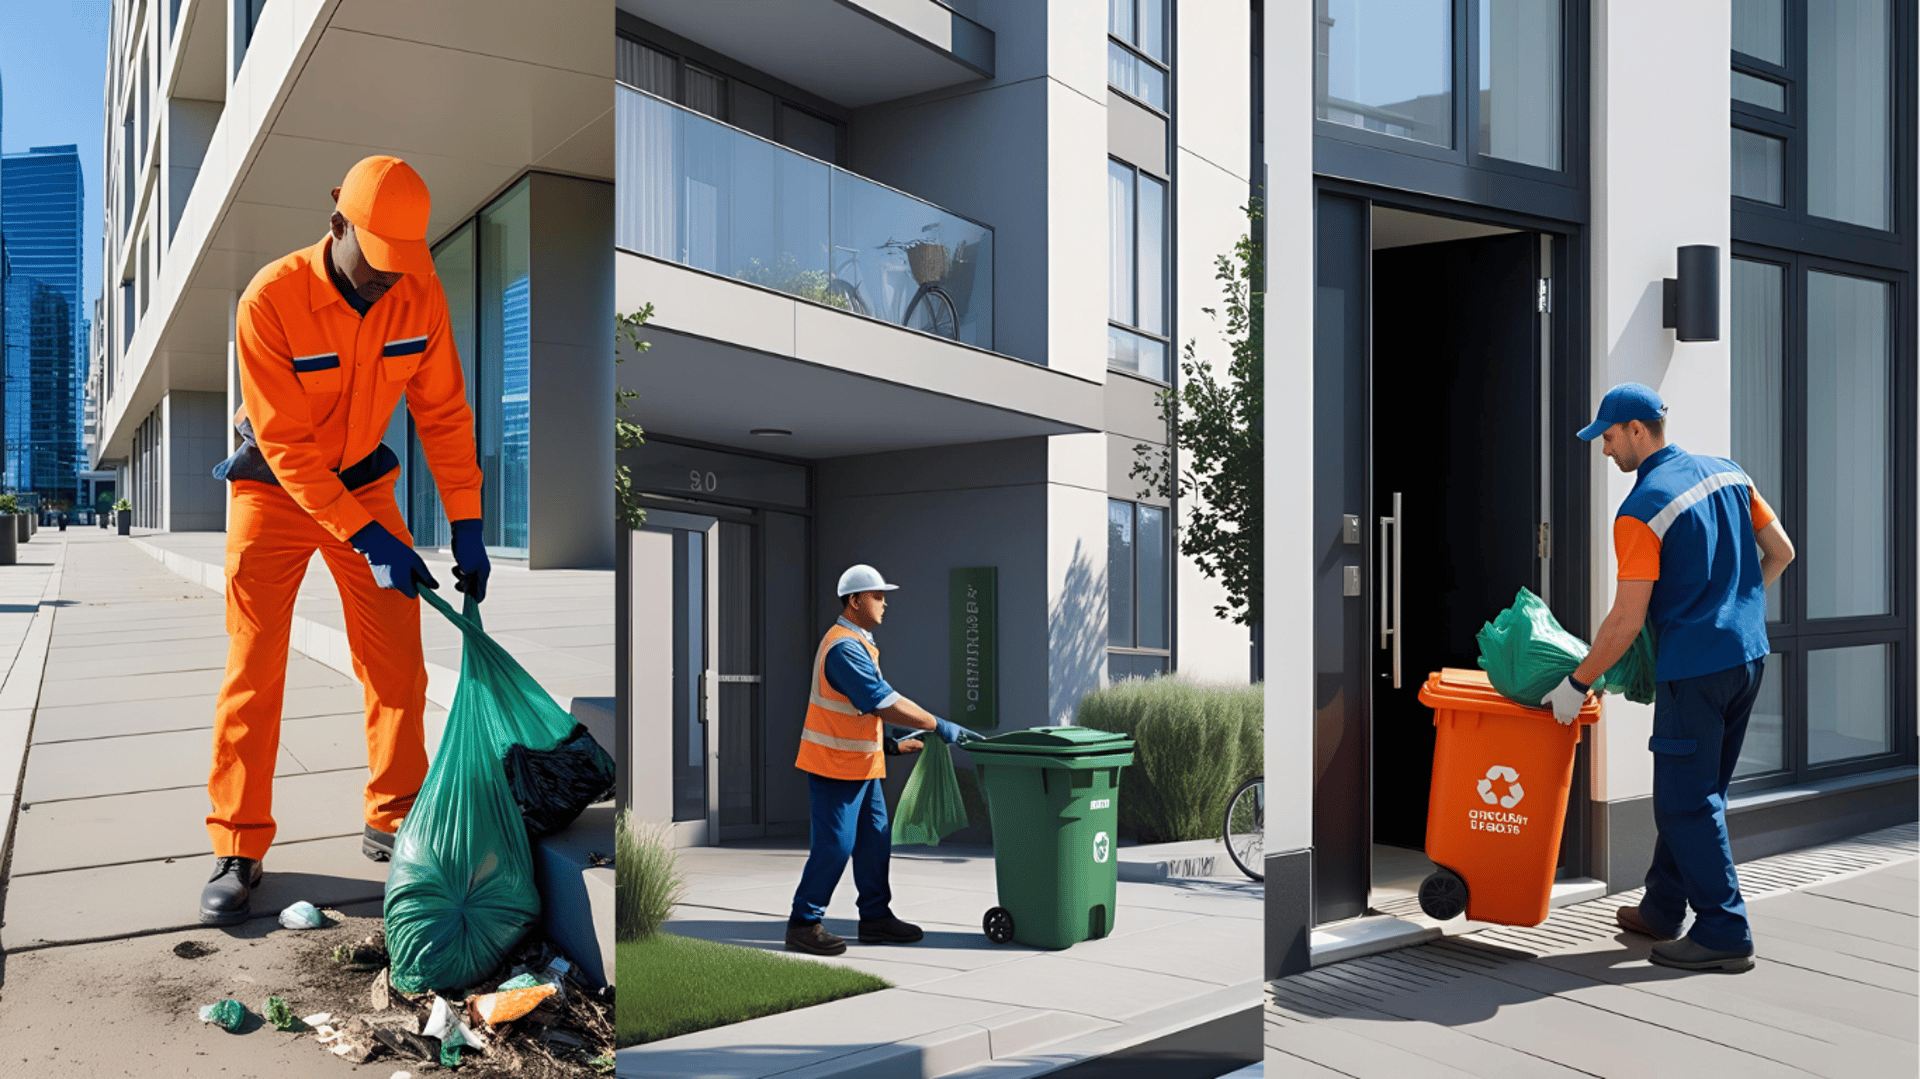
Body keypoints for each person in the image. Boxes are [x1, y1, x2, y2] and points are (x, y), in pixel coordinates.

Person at [199, 155, 492, 926]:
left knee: (397, 657)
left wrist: (466, 518)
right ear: (337, 224)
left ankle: (395, 816)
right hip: (271, 486)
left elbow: (444, 413)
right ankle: (238, 842)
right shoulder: (270, 299)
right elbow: (289, 447)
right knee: (253, 665)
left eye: (401, 267)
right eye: (376, 264)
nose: (386, 282)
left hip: (364, 482)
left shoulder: (416, 294)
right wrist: (367, 537)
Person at [1541, 383, 1794, 973]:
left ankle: (1724, 931)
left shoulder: (1641, 508)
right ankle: (1661, 908)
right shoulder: (1729, 473)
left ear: (1636, 429)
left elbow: (1627, 617)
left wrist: (1577, 683)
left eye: (1607, 436)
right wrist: (1741, 610)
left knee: (1684, 801)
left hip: (1696, 669)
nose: (1604, 450)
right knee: (1702, 792)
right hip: (1747, 658)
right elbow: (1780, 551)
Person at [786, 564, 982, 956]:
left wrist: (891, 746)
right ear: (855, 601)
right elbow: (880, 701)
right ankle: (804, 922)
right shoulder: (842, 647)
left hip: (861, 766)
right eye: (877, 595)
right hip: (834, 768)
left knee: (875, 840)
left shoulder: (859, 643)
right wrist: (938, 724)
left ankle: (875, 917)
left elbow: (861, 712)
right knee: (836, 847)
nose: (884, 602)